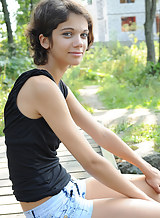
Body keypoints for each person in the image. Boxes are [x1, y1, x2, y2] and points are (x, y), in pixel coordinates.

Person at [3, 0, 160, 217]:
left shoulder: (56, 85)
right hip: (53, 208)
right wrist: (144, 202)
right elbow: (91, 161)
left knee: (157, 189)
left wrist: (148, 169)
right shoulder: (40, 86)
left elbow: (100, 133)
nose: (79, 42)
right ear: (45, 40)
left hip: (68, 188)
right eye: (68, 34)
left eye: (84, 35)